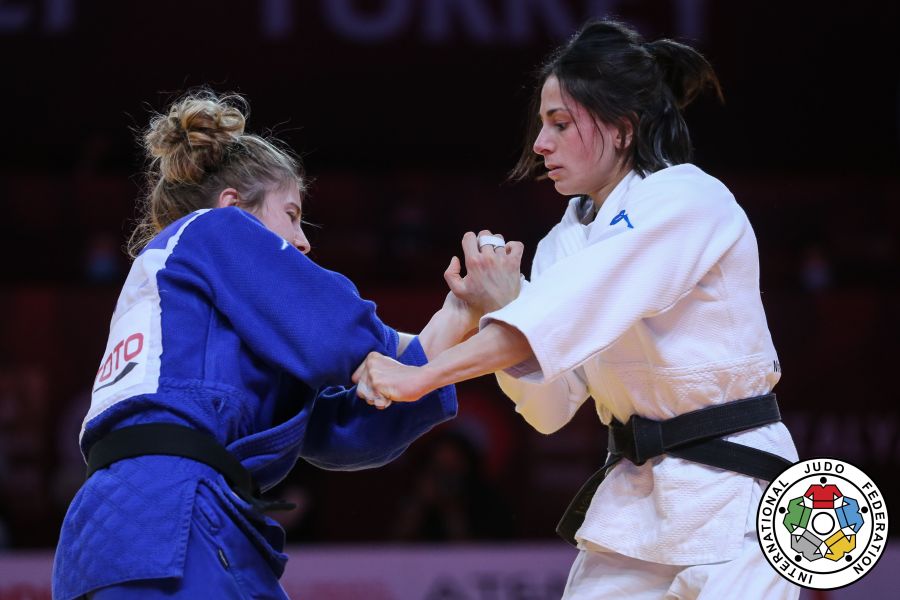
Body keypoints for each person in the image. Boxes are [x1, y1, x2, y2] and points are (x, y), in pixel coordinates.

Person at [355, 19, 800, 599]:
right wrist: (503, 306)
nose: (541, 144)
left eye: (560, 124)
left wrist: (425, 375)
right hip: (636, 501)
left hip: (738, 493)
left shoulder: (687, 200)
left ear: (622, 128)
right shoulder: (566, 240)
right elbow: (552, 407)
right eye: (543, 124)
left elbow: (556, 319)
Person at [52, 90, 520, 600]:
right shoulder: (213, 229)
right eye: (291, 214)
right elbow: (344, 337)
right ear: (234, 207)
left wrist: (456, 318)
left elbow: (350, 432)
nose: (303, 241)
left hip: (126, 532)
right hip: (170, 520)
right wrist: (505, 333)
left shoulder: (206, 312)